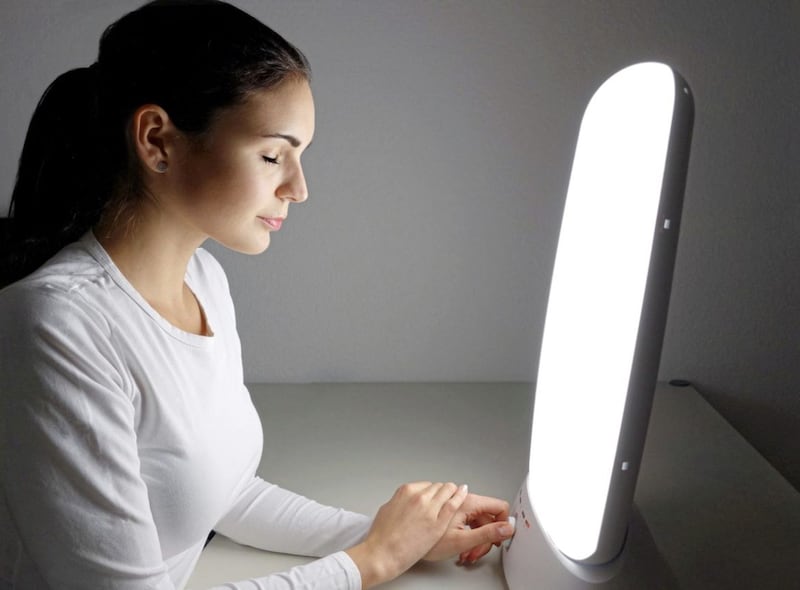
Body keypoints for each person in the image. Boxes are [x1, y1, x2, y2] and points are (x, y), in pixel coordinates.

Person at [0, 1, 515, 588]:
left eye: (299, 158)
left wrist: (394, 536)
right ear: (156, 140)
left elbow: (226, 492)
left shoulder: (205, 281)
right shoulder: (57, 325)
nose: (298, 188)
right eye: (273, 155)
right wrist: (373, 562)